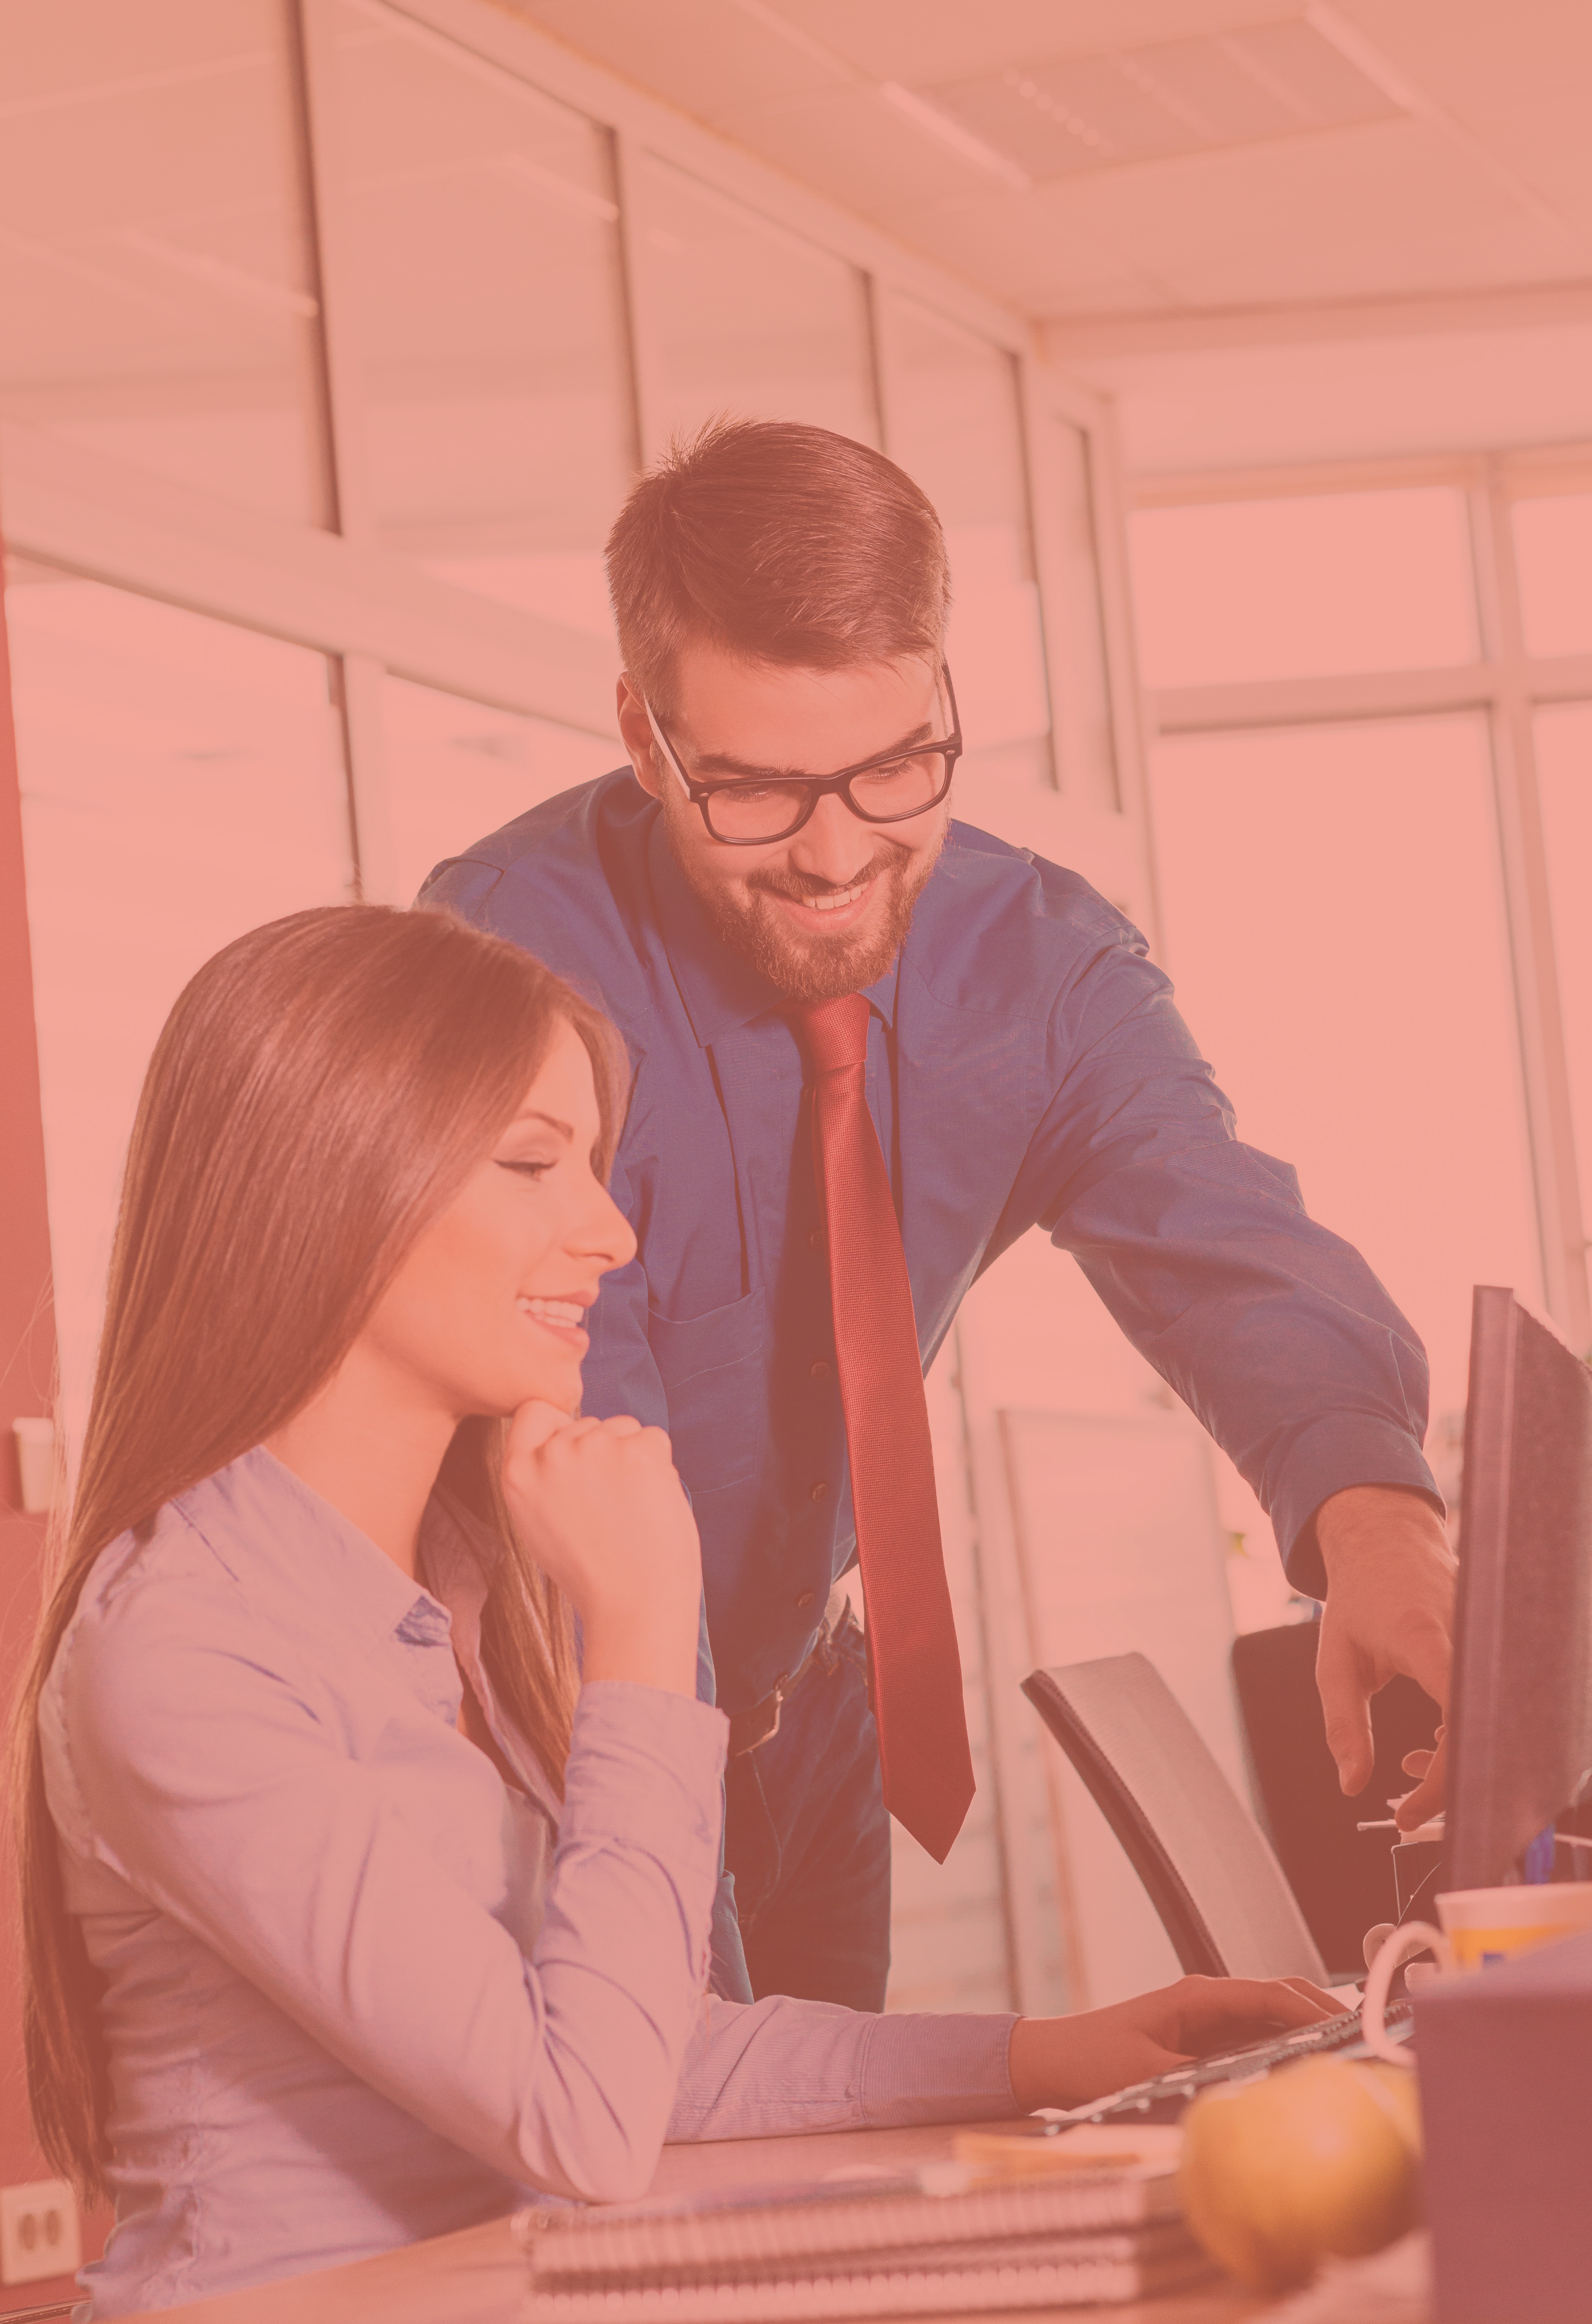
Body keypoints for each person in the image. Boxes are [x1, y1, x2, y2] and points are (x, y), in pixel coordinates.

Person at [12, 905, 1336, 2317]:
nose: (610, 1228)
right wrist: (645, 1639)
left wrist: (1039, 2055)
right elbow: (582, 2117)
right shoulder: (186, 1647)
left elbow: (643, 2051)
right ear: (332, 1185)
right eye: (534, 1163)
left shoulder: (447, 1586)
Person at [422, 417, 1458, 2013]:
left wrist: (1382, 1527)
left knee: (831, 2195)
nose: (838, 854)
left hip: (811, 1713)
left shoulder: (1031, 961)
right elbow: (577, 1479)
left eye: (896, 767)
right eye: (759, 791)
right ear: (644, 731)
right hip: (566, 1720)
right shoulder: (507, 973)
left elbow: (1226, 1239)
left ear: (944, 693)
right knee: (661, 2175)